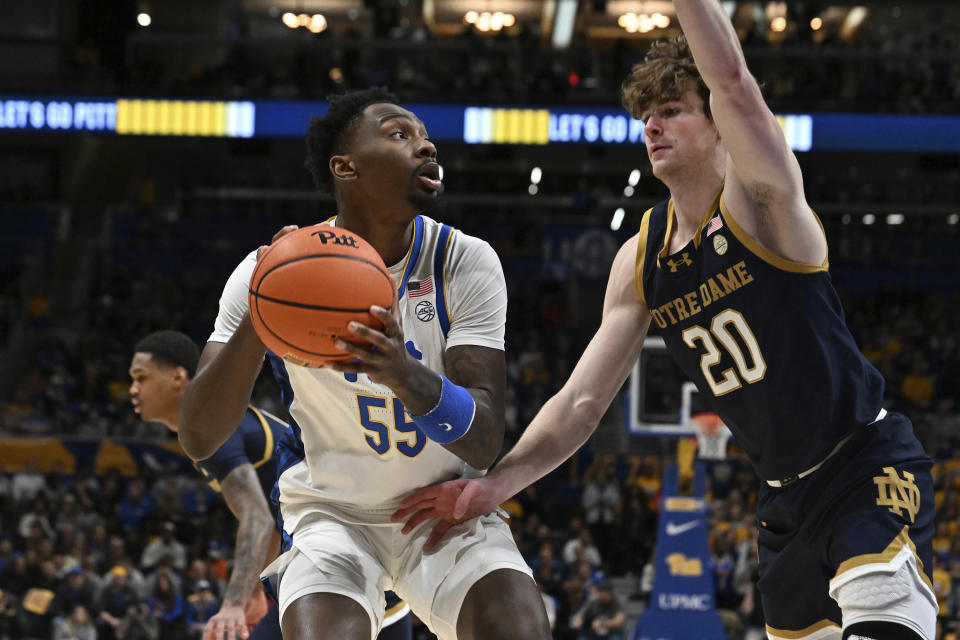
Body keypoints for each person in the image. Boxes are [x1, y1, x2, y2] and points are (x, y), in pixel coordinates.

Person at [392, 3, 938, 639]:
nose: (653, 126)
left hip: (863, 465)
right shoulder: (640, 258)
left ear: (717, 126)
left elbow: (732, 78)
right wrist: (497, 484)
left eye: (672, 111)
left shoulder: (761, 203)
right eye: (645, 118)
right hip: (783, 502)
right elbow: (581, 402)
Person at [177, 87, 550, 640]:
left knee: (517, 630)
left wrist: (403, 372)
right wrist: (262, 313)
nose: (426, 147)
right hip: (335, 514)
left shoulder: (464, 261)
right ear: (344, 166)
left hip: (444, 508)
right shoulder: (269, 274)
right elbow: (199, 435)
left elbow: (483, 440)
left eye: (426, 138)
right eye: (400, 134)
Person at [129, 329, 414, 640]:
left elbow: (258, 518)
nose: (133, 389)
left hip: (347, 560)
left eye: (141, 378)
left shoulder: (216, 432)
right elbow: (274, 517)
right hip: (355, 559)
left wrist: (234, 602)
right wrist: (256, 593)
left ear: (177, 377)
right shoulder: (214, 429)